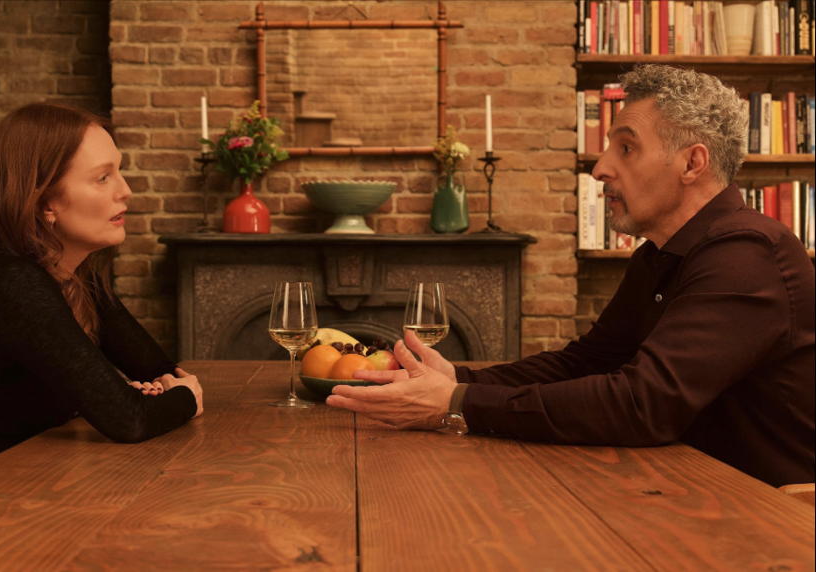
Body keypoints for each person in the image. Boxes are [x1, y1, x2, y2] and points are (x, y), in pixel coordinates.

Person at [326, 64, 815, 488]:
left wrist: (455, 402)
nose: (600, 169)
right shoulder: (660, 254)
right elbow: (585, 363)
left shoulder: (747, 254)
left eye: (626, 148)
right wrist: (458, 378)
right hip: (684, 486)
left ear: (692, 163)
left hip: (770, 516)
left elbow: (642, 405)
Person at [0, 103, 203, 491]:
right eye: (102, 178)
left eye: (119, 171)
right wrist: (183, 398)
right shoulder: (9, 280)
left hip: (24, 487)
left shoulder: (77, 277)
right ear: (44, 201)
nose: (126, 190)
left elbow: (158, 371)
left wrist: (154, 396)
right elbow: (131, 419)